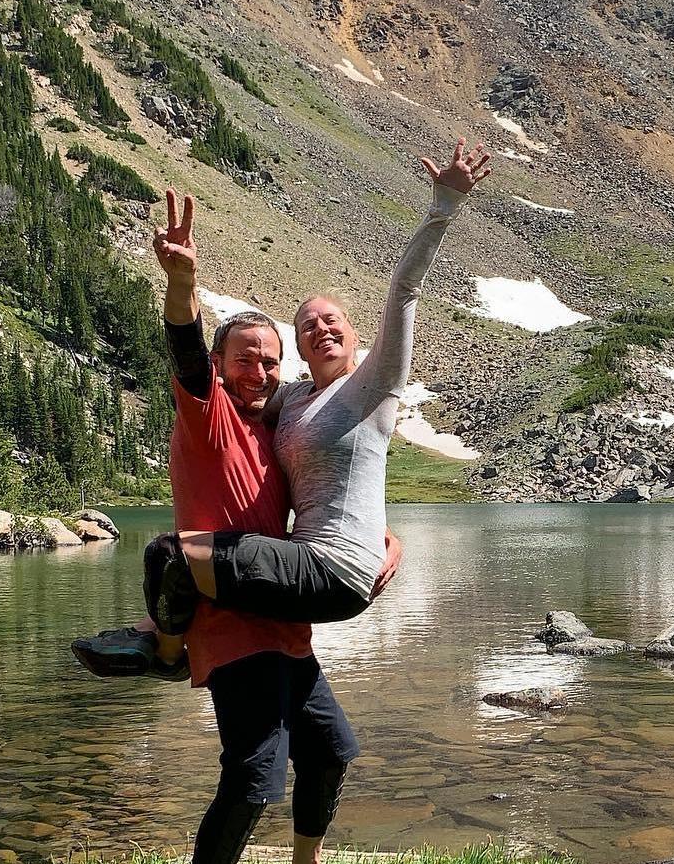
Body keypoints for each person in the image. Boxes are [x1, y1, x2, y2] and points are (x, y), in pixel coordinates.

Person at [72, 200, 399, 864]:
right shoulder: (208, 413)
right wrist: (182, 288)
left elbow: (342, 493)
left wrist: (386, 541)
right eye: (244, 357)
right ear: (223, 368)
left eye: (268, 358)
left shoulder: (281, 430)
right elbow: (185, 352)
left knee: (331, 751)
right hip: (231, 627)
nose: (258, 369)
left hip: (284, 623)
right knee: (256, 774)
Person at [80, 136, 491, 669]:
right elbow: (219, 383)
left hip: (337, 570)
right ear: (298, 348)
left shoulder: (374, 384)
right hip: (311, 565)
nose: (321, 328)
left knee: (168, 555)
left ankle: (163, 652)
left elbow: (405, 288)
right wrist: (186, 296)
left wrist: (444, 206)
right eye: (307, 326)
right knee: (182, 565)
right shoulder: (290, 399)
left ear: (354, 335)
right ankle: (158, 634)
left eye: (332, 320)